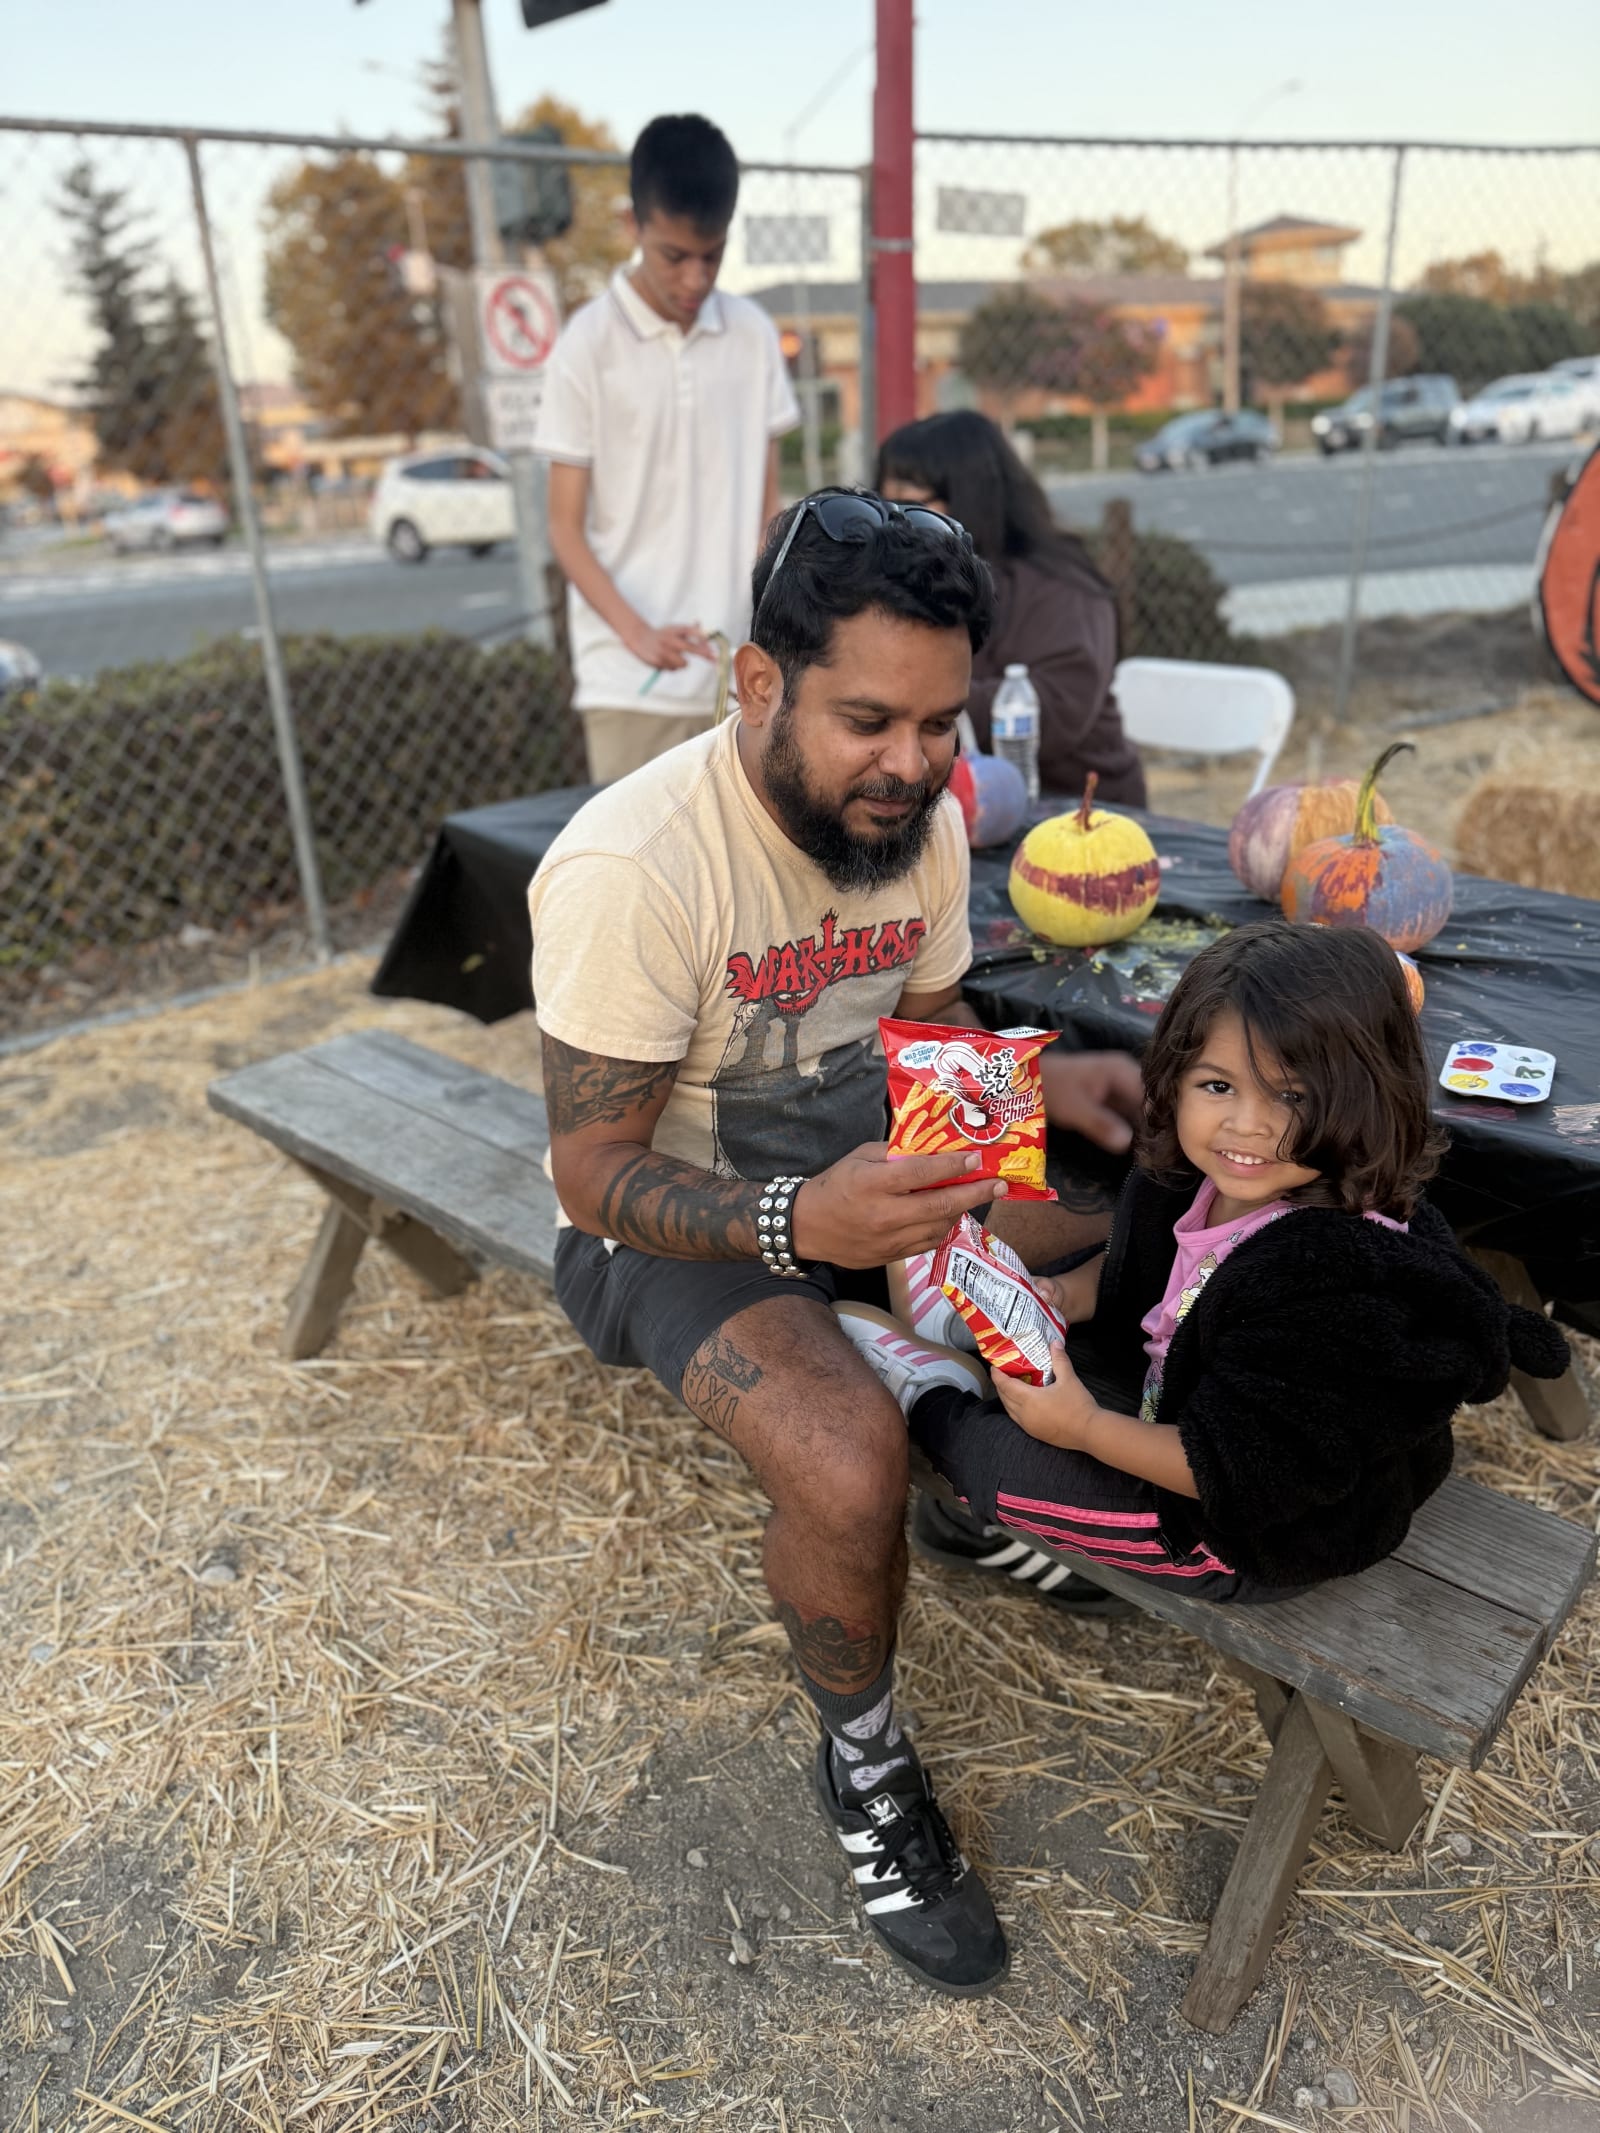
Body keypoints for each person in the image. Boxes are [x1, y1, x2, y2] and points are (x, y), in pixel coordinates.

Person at [528, 488, 1144, 1998]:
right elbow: (592, 1167)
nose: (917, 766)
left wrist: (1039, 1085)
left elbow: (929, 1039)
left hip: (869, 1171)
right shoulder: (637, 868)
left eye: (943, 726)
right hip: (673, 1228)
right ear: (759, 683)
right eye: (872, 720)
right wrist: (807, 1220)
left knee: (1140, 1230)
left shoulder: (918, 823)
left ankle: (959, 1508)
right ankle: (865, 1764)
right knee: (845, 1449)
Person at [847, 922, 1569, 1606]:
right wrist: (1064, 1293)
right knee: (1080, 1283)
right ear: (1175, 1075)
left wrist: (1083, 1429)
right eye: (1218, 1085)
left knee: (1002, 1468)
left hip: (1247, 1525)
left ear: (1367, 1100)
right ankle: (983, 1319)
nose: (1245, 1124)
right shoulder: (1209, 1183)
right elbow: (1152, 1272)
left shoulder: (1329, 1286)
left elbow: (1240, 1470)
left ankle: (929, 1395)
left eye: (1291, 1095)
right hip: (1193, 1391)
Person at [535, 113, 799, 785]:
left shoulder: (753, 335)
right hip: (630, 684)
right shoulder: (586, 346)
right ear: (632, 227)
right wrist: (636, 633)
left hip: (742, 683)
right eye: (674, 256)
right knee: (634, 885)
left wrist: (770, 642)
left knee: (747, 886)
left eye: (712, 255)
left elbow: (768, 511)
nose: (694, 278)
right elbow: (563, 529)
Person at [876, 409, 1146, 805]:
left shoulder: (1062, 588)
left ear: (971, 499)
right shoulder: (905, 581)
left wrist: (911, 700)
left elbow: (1055, 710)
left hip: (1071, 807)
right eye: (883, 506)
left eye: (911, 506)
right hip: (953, 799)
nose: (894, 523)